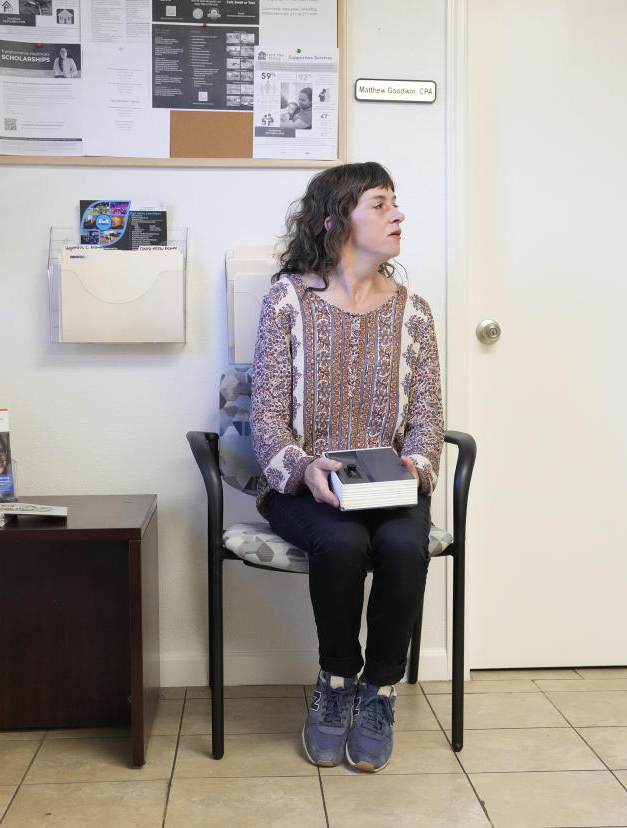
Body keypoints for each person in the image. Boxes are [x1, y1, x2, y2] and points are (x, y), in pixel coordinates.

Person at [250, 162, 442, 772]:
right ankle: (335, 682)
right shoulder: (287, 300)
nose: (398, 215)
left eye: (395, 203)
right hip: (305, 486)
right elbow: (267, 420)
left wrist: (413, 468)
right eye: (381, 205)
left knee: (404, 547)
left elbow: (429, 421)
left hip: (388, 486)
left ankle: (380, 691)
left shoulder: (415, 313)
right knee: (340, 542)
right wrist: (306, 470)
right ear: (338, 221)